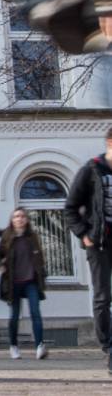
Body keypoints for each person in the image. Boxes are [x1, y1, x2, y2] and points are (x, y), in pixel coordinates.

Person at [65, 130, 112, 374]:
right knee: (103, 296)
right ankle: (109, 347)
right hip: (100, 242)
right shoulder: (92, 170)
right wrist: (85, 235)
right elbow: (70, 207)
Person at [0, 207, 48, 361]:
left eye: (22, 216)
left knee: (35, 313)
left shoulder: (32, 237)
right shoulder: (7, 237)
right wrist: (0, 265)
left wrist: (41, 271)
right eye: (16, 216)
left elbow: (40, 257)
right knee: (14, 316)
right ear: (12, 220)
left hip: (31, 281)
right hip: (13, 283)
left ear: (26, 220)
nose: (19, 219)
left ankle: (39, 346)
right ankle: (13, 346)